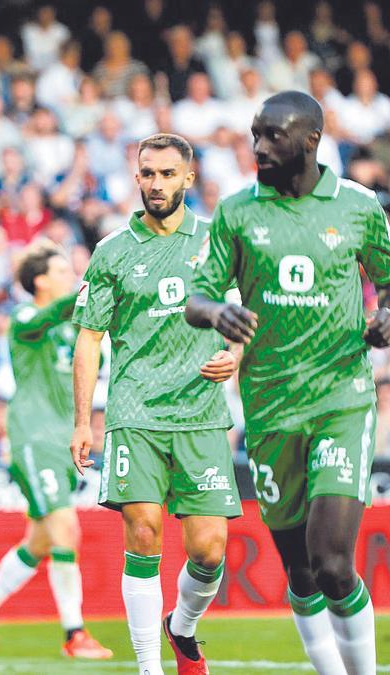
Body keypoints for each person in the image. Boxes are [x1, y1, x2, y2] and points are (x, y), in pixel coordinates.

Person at [186, 92, 388, 675]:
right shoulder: (236, 211)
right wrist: (214, 312)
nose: (258, 148)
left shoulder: (357, 206)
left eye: (273, 136)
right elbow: (196, 295)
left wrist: (386, 318)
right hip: (270, 408)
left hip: (341, 400)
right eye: (255, 134)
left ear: (310, 142)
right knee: (299, 574)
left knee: (332, 565)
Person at [72, 134, 242, 675]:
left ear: (188, 178)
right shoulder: (112, 251)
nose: (156, 184)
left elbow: (243, 312)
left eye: (168, 174)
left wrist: (235, 352)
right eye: (148, 173)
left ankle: (182, 628)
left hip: (201, 413)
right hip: (135, 410)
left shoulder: (217, 241)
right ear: (136, 176)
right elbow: (89, 338)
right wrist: (83, 420)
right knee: (143, 530)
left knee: (209, 549)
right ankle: (149, 668)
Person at [0, 242, 112, 662]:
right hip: (32, 440)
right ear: (40, 280)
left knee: (40, 541)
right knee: (67, 531)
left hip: (66, 441)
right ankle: (74, 634)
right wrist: (83, 294)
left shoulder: (74, 327)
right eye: (62, 270)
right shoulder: (24, 316)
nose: (69, 276)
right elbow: (46, 315)